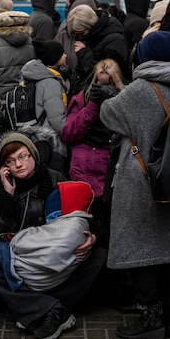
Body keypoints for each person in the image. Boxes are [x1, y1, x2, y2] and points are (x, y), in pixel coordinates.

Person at [100, 31, 170, 339]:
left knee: (138, 248)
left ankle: (150, 318)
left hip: (141, 183)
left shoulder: (141, 89)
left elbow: (108, 115)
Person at [0, 130, 104, 339]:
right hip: (21, 264)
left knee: (98, 255)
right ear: (5, 167)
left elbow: (83, 216)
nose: (18, 164)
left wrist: (94, 236)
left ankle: (38, 308)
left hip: (56, 260)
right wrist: (8, 195)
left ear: (33, 155)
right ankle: (51, 310)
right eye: (10, 160)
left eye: (23, 156)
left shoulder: (55, 180)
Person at [62, 57, 124, 239]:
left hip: (111, 169)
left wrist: (114, 99)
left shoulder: (124, 99)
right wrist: (92, 106)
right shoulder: (83, 98)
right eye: (99, 82)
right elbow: (68, 135)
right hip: (83, 170)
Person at [65, 4, 129, 95]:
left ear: (90, 25)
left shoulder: (115, 40)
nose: (80, 38)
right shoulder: (92, 37)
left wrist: (84, 54)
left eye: (81, 33)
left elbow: (109, 74)